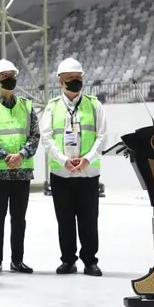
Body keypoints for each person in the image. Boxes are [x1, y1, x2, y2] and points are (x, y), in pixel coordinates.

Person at [40, 57, 107, 277]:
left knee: (89, 220)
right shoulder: (52, 107)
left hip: (88, 173)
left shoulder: (94, 104)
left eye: (78, 78)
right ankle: (68, 260)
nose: (75, 82)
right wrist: (63, 160)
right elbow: (47, 138)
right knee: (65, 220)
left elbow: (102, 136)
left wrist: (87, 158)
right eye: (70, 79)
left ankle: (90, 261)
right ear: (60, 81)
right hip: (62, 174)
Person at [0, 59, 39, 275]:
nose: (10, 80)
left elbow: (35, 134)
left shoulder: (26, 105)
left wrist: (22, 155)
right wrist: (7, 156)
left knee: (19, 219)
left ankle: (17, 260)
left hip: (22, 171)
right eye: (5, 77)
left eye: (12, 75)